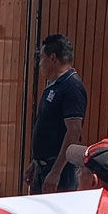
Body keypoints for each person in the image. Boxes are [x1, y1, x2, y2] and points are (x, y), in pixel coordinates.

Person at [25, 34, 87, 195]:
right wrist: (35, 163)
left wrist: (56, 172)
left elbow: (74, 131)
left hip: (59, 171)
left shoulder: (71, 87)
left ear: (53, 58)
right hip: (43, 167)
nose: (40, 65)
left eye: (42, 59)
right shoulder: (53, 86)